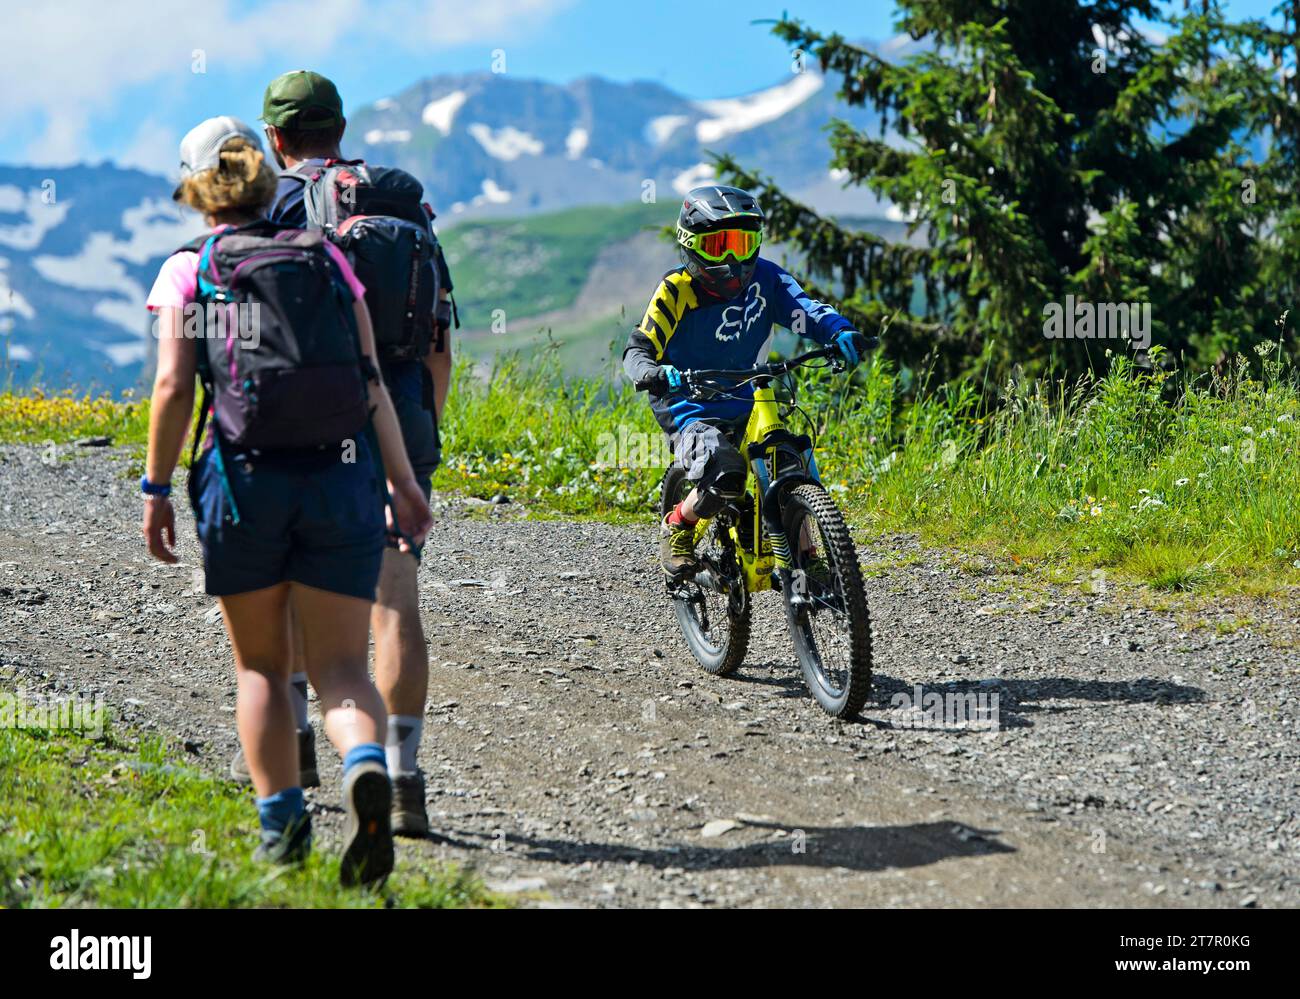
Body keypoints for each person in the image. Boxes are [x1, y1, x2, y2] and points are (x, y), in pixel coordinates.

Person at [141, 115, 433, 884]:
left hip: (245, 483)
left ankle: (281, 831)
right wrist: (402, 484)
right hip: (341, 480)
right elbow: (372, 382)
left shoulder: (189, 269)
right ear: (269, 182)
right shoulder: (330, 259)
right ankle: (366, 763)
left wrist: (157, 487)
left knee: (263, 669)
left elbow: (174, 388)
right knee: (342, 664)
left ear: (196, 189)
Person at [223, 70, 454, 837]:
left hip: (315, 414)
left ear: (277, 138)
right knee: (395, 600)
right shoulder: (401, 200)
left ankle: (297, 739)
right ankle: (405, 774)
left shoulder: (275, 202)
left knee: (294, 577)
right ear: (342, 127)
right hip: (408, 409)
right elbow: (440, 340)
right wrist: (419, 437)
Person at [622, 185, 865, 578]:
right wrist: (651, 372)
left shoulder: (767, 278)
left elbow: (806, 308)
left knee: (791, 458)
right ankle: (680, 523)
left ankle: (809, 557)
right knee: (726, 473)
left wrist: (837, 332)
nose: (734, 258)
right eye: (720, 245)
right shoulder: (676, 290)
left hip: (748, 395)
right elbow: (639, 347)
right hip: (689, 404)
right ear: (691, 245)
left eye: (743, 243)